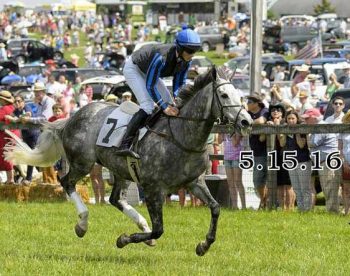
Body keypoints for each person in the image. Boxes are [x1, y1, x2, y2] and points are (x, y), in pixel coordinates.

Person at [117, 27, 201, 159]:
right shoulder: (162, 57)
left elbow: (179, 84)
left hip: (148, 70)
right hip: (134, 68)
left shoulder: (186, 61)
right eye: (190, 50)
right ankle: (125, 144)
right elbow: (150, 85)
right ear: (179, 47)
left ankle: (156, 134)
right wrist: (164, 107)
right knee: (147, 105)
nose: (192, 54)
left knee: (169, 101)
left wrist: (177, 101)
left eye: (195, 50)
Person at [302, 108, 341, 213]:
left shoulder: (321, 126)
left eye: (307, 119)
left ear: (314, 118)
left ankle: (333, 212)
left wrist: (307, 133)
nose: (305, 121)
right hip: (324, 161)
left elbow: (312, 143)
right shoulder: (318, 126)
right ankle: (333, 211)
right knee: (329, 187)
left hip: (328, 161)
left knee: (330, 188)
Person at [20, 82, 57, 184]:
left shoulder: (48, 102)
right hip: (45, 133)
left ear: (43, 92)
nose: (36, 94)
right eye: (35, 92)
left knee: (48, 158)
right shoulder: (41, 103)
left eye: (38, 92)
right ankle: (47, 180)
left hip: (52, 133)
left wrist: (29, 119)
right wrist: (30, 116)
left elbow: (44, 119)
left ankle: (50, 181)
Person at [280, 110, 312, 211]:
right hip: (291, 162)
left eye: (293, 118)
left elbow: (301, 145)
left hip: (303, 161)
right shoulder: (286, 130)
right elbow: (281, 144)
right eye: (289, 119)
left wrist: (296, 131)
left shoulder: (302, 130)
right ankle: (301, 209)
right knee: (296, 188)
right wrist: (284, 133)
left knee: (304, 188)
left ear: (297, 119)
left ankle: (307, 210)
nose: (291, 121)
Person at [5, 95, 40, 185]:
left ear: (23, 102)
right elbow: (8, 117)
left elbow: (27, 116)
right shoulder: (16, 110)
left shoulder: (27, 107)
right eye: (15, 101)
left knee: (31, 157)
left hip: (33, 135)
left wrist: (15, 120)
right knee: (28, 157)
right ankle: (27, 178)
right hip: (25, 136)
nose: (17, 103)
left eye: (19, 101)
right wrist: (14, 119)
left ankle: (29, 178)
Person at [266, 103, 294, 210]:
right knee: (279, 184)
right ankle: (282, 207)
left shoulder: (285, 123)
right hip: (274, 156)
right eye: (273, 110)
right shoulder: (269, 123)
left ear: (282, 113)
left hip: (286, 155)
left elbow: (282, 142)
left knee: (288, 184)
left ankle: (290, 208)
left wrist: (277, 125)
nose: (275, 111)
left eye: (278, 110)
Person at [246, 93, 269, 209]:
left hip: (267, 151)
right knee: (257, 181)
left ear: (256, 103)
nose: (247, 104)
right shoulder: (248, 113)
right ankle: (263, 200)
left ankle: (264, 203)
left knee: (265, 179)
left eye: (249, 102)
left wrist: (248, 123)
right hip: (256, 152)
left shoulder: (265, 111)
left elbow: (260, 121)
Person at [218, 133, 246, 209]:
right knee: (230, 182)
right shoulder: (224, 129)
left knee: (238, 181)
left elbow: (235, 143)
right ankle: (234, 206)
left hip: (237, 157)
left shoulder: (237, 129)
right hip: (227, 158)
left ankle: (244, 206)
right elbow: (219, 141)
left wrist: (231, 132)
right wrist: (220, 132)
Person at [0, 90, 20, 184]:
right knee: (9, 157)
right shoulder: (12, 107)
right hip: (14, 134)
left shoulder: (4, 109)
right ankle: (11, 179)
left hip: (7, 136)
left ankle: (10, 179)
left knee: (6, 158)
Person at [339, 111, 350, 215]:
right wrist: (344, 162)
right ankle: (347, 211)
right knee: (346, 189)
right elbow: (340, 149)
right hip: (346, 162)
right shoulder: (343, 131)